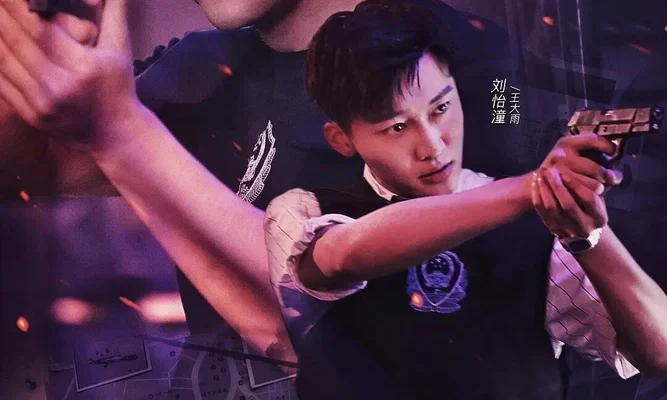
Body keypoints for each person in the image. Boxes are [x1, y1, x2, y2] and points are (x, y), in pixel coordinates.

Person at [0, 0, 516, 362]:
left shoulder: (487, 72)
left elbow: (340, 340)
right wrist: (35, 40)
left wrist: (123, 131)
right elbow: (30, 165)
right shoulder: (202, 67)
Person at [263, 2, 667, 398]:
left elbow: (660, 352)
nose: (432, 146)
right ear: (342, 139)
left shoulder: (533, 221)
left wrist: (587, 228)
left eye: (441, 107)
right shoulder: (301, 211)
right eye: (397, 127)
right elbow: (345, 255)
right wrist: (533, 187)